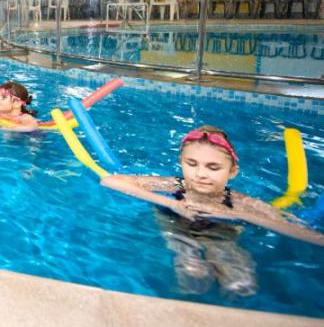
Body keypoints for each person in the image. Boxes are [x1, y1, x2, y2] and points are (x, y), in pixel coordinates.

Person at [101, 125, 324, 297]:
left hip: (221, 232)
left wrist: (239, 215)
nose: (201, 174)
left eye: (213, 167)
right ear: (181, 162)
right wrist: (170, 203)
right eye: (192, 164)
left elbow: (297, 230)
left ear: (232, 171)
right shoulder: (175, 185)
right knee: (192, 272)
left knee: (241, 281)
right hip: (175, 226)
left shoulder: (240, 201)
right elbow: (111, 181)